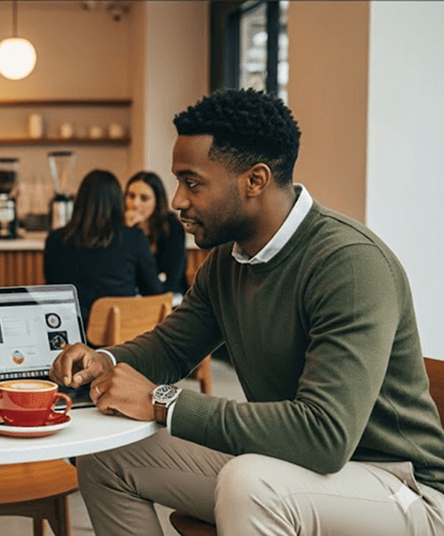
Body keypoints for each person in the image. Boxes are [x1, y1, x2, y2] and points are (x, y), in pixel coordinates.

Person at [50, 88, 444, 535]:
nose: (177, 200)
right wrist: (105, 360)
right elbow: (171, 348)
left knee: (250, 483)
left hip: (400, 487)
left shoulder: (350, 264)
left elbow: (325, 436)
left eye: (192, 182)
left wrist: (162, 401)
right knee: (106, 455)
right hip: (290, 468)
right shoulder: (228, 261)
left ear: (254, 180)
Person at [44, 169, 164, 327]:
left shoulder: (55, 240)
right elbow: (154, 292)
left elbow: (52, 290)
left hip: (70, 332)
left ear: (80, 201)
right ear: (118, 202)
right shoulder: (133, 239)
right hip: (121, 334)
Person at [124, 171, 189, 295]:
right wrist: (128, 232)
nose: (135, 204)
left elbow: (172, 277)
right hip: (133, 297)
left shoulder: (172, 227)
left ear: (157, 201)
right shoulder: (121, 227)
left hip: (169, 295)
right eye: (131, 196)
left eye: (144, 198)